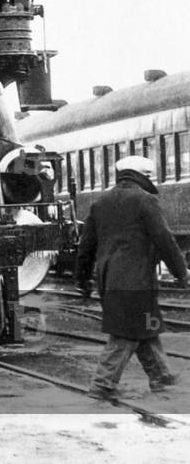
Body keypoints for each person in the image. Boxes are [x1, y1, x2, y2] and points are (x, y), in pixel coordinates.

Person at [76, 155, 189, 399]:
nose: (152, 179)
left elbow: (85, 247)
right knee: (125, 332)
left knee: (146, 328)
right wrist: (183, 273)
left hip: (109, 278)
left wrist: (82, 279)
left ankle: (161, 376)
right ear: (142, 175)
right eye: (149, 176)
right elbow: (165, 240)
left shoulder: (100, 203)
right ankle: (102, 384)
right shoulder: (144, 200)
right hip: (136, 279)